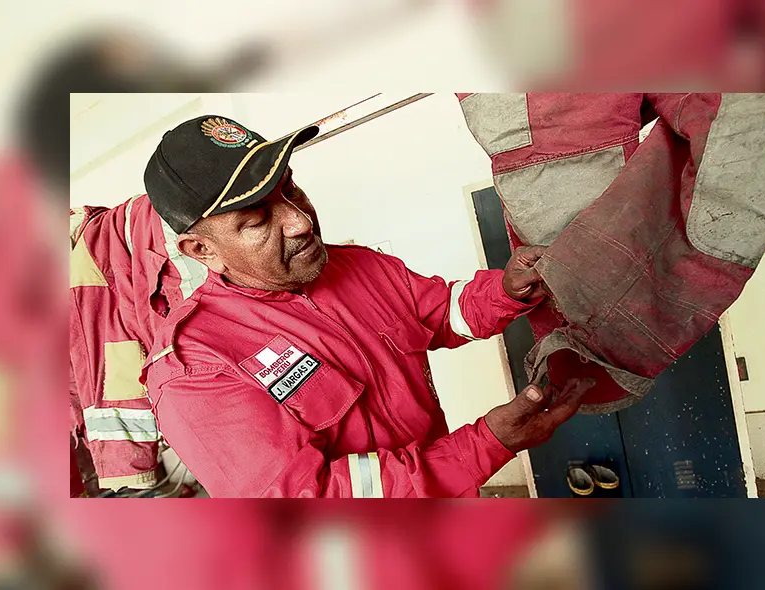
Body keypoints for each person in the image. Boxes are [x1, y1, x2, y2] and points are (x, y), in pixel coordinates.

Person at [140, 115, 594, 498]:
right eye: (257, 219)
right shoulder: (195, 367)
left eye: (290, 189)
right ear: (202, 250)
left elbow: (441, 314)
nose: (299, 222)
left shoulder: (358, 266)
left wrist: (506, 291)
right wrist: (485, 446)